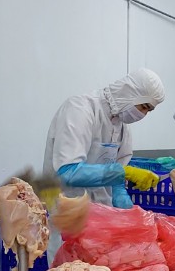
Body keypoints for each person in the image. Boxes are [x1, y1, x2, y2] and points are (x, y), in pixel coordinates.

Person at [43, 69, 164, 210]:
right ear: (129, 93)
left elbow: (117, 182)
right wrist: (123, 172)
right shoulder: (79, 109)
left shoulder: (122, 127)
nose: (143, 114)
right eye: (143, 107)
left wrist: (125, 208)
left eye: (148, 111)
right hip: (67, 212)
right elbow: (68, 173)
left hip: (102, 214)